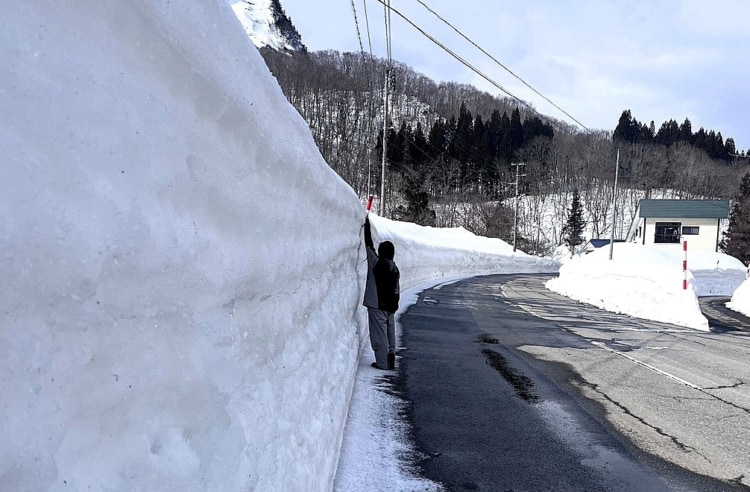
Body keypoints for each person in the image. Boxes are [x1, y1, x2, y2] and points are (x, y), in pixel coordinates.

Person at [363, 216, 400, 370]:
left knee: (379, 336)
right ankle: (390, 357)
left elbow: (368, 246)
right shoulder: (394, 267)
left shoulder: (377, 264)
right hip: (390, 307)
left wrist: (366, 227)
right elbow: (396, 289)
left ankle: (383, 363)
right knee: (390, 333)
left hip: (377, 305)